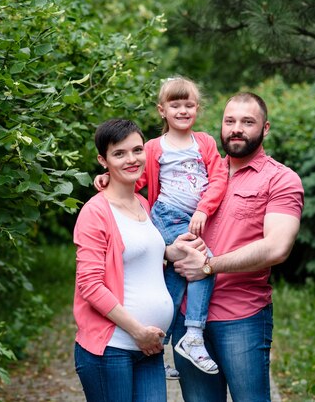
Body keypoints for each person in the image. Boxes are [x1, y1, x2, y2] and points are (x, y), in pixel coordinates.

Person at [170, 92, 304, 402]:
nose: (236, 129)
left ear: (265, 128)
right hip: (188, 318)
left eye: (247, 122)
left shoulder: (281, 180)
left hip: (241, 317)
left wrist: (208, 266)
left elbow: (277, 248)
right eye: (230, 121)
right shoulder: (198, 173)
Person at [95, 76, 228, 378]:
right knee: (203, 262)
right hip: (167, 216)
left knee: (177, 275)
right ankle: (193, 334)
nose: (183, 110)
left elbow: (219, 178)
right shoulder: (154, 147)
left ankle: (159, 340)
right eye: (175, 105)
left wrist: (204, 209)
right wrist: (108, 179)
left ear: (197, 108)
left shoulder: (204, 142)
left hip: (194, 216)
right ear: (162, 110)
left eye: (189, 105)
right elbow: (136, 178)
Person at [72, 118, 173, 402]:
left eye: (137, 150)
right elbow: (89, 285)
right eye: (119, 153)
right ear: (103, 160)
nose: (132, 159)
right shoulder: (95, 213)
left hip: (149, 347)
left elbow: (144, 259)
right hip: (111, 349)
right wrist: (138, 331)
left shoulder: (143, 203)